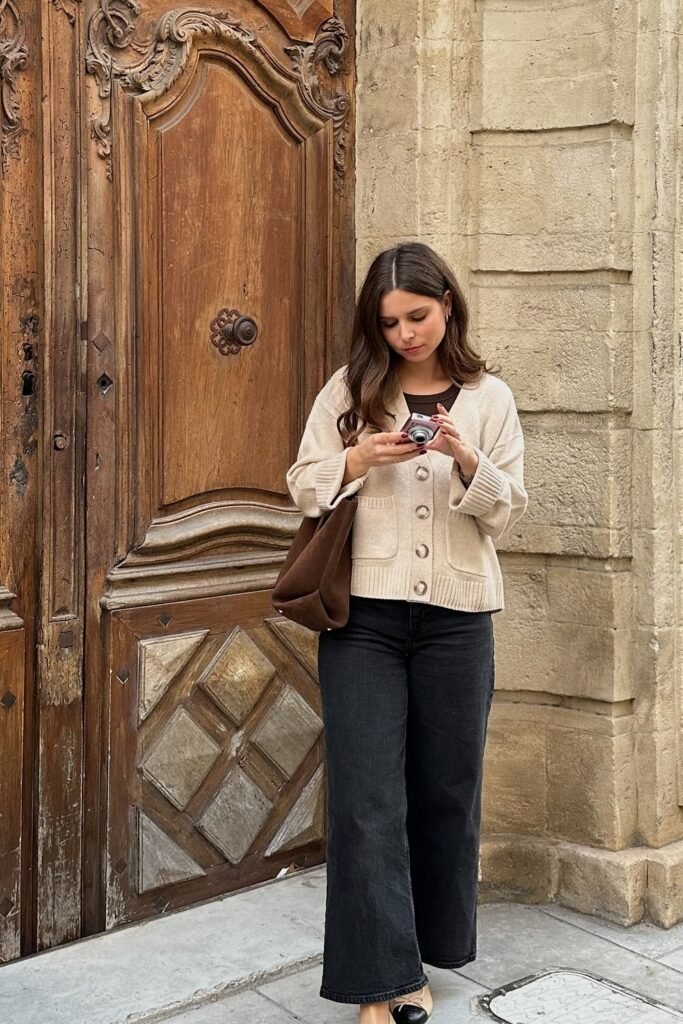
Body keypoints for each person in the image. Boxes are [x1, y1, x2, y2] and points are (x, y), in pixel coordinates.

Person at [285, 241, 528, 1024]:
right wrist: (355, 457)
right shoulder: (351, 388)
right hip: (365, 620)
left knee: (447, 791)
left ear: (446, 306)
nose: (404, 334)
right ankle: (384, 984)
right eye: (388, 322)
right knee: (364, 799)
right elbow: (302, 487)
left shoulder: (489, 398)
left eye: (416, 317)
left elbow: (508, 510)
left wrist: (463, 459)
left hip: (459, 623)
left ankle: (429, 947)